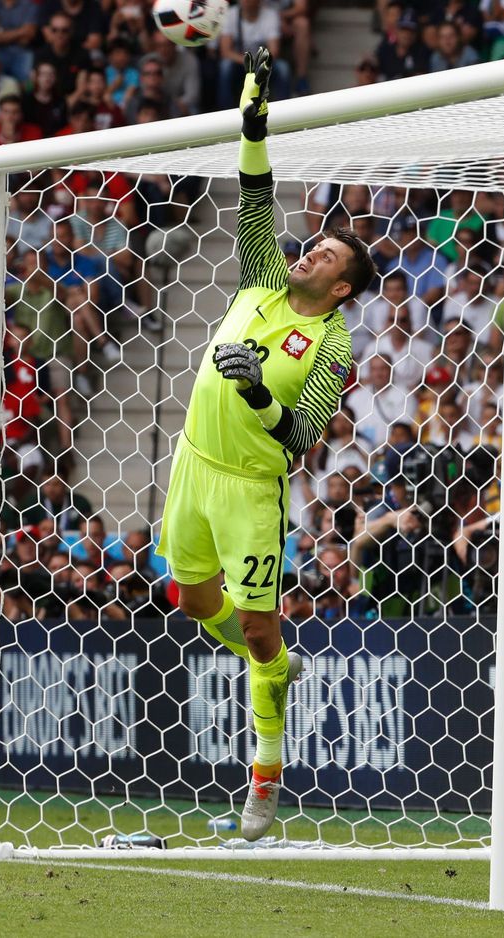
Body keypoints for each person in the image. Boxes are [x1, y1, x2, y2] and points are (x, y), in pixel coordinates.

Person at [155, 49, 375, 843]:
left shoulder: (332, 343)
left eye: (328, 256)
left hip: (251, 485)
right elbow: (253, 194)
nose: (310, 250)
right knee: (193, 602)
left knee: (255, 632)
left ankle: (265, 779)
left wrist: (254, 391)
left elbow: (303, 436)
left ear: (342, 287)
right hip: (192, 465)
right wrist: (255, 119)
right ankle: (277, 664)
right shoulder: (258, 278)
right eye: (314, 244)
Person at [0, 0, 38, 84]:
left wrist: (2, 34)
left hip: (23, 51)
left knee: (29, 83)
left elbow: (29, 35)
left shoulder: (29, 5)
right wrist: (21, 31)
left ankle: (28, 96)